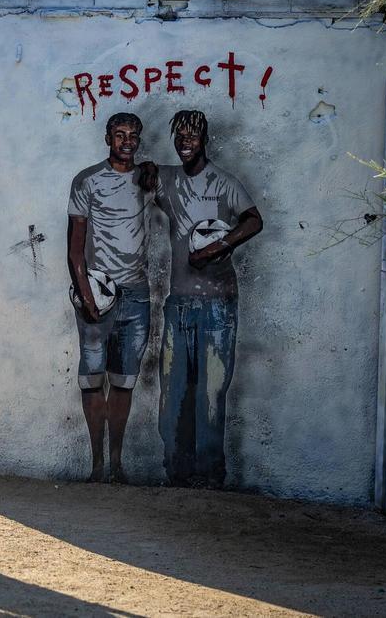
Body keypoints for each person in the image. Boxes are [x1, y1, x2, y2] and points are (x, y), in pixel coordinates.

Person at [151, 110, 263, 488]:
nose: (185, 142)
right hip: (178, 302)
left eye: (192, 136)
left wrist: (216, 247)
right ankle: (176, 474)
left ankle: (210, 478)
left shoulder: (225, 182)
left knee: (211, 394)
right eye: (179, 136)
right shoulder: (166, 180)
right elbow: (136, 179)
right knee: (174, 393)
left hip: (219, 305)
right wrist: (145, 169)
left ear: (205, 140)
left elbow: (254, 220)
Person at [66, 112, 154, 483]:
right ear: (107, 139)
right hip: (98, 294)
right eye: (119, 135)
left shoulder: (148, 179)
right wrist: (88, 299)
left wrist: (153, 171)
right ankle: (96, 465)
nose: (127, 141)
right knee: (92, 379)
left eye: (133, 135)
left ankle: (117, 464)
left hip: (136, 295)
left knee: (123, 381)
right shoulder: (87, 181)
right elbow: (74, 249)